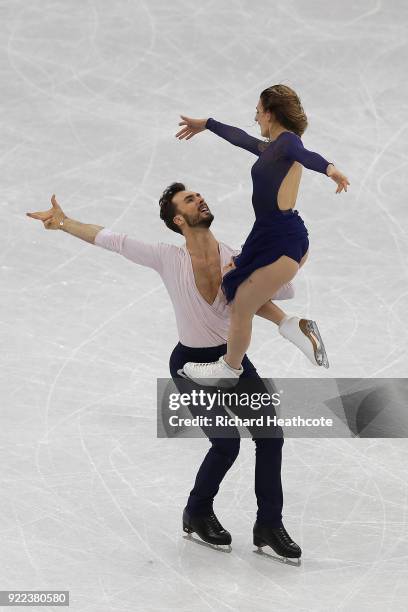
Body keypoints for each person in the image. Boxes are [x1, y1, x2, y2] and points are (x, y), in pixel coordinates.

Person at [26, 186, 303, 560]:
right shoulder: (166, 257)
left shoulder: (239, 257)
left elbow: (283, 288)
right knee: (227, 443)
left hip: (232, 361)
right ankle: (197, 512)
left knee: (270, 436)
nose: (200, 200)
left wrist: (281, 260)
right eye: (189, 200)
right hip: (190, 366)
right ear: (178, 219)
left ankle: (269, 524)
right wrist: (63, 222)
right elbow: (112, 240)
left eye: (200, 196)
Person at [175, 84, 351, 387]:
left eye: (258, 112)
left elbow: (306, 154)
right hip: (272, 234)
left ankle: (230, 369)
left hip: (280, 240)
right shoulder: (273, 148)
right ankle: (293, 325)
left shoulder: (287, 143)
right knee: (236, 289)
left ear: (269, 114)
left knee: (242, 303)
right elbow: (241, 138)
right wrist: (207, 124)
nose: (256, 118)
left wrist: (330, 169)